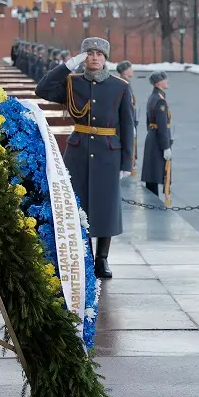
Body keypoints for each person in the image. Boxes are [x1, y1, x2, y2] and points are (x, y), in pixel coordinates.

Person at [35, 36, 135, 278]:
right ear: (83, 57)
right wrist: (66, 66)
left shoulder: (119, 86)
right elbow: (42, 89)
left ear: (106, 59)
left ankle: (102, 259)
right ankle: (85, 256)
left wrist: (126, 162)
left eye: (99, 54)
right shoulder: (72, 83)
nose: (95, 57)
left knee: (105, 207)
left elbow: (127, 126)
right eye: (90, 53)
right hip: (78, 152)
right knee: (78, 205)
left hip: (108, 153)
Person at [141, 72, 173, 197]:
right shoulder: (160, 100)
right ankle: (155, 204)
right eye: (165, 79)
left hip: (152, 136)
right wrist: (166, 147)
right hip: (158, 140)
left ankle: (153, 200)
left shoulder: (154, 97)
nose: (167, 81)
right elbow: (162, 126)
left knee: (152, 173)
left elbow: (149, 121)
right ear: (158, 83)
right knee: (155, 173)